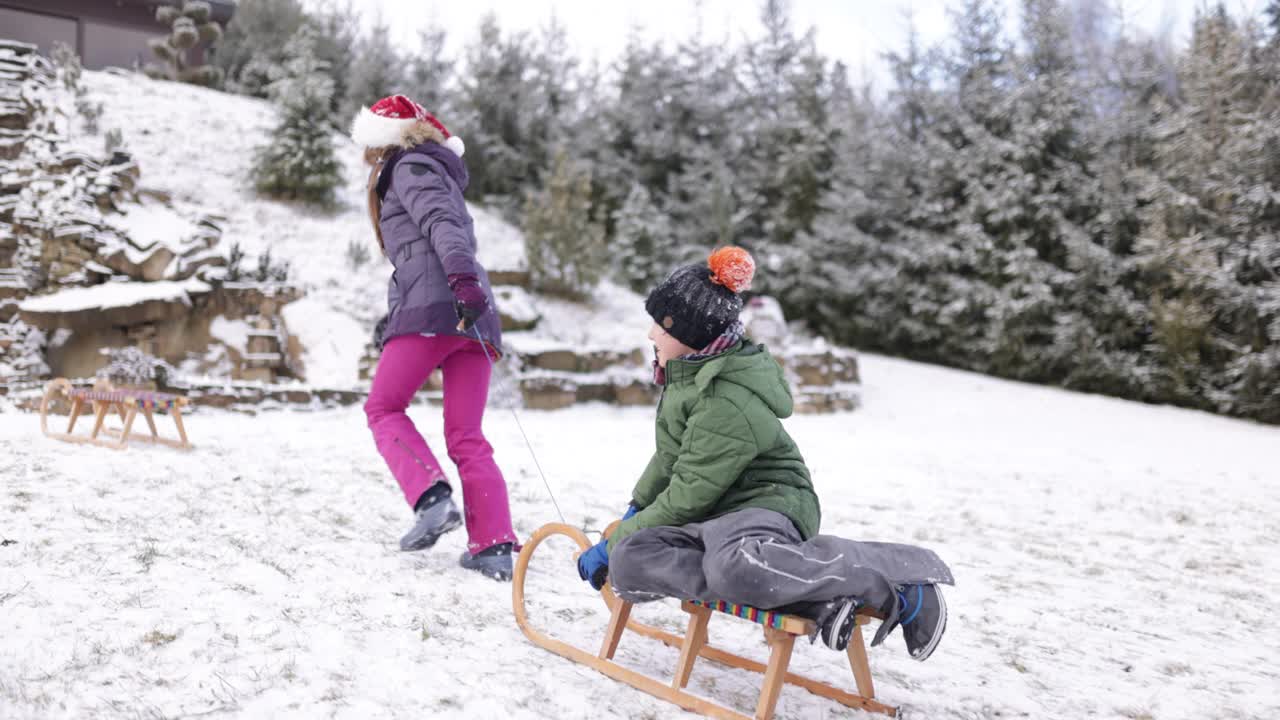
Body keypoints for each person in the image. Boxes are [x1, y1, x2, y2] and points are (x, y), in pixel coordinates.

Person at [576, 247, 955, 659]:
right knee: (631, 561)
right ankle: (806, 597)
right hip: (713, 514)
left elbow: (689, 493)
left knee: (730, 567)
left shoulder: (727, 398)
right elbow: (670, 460)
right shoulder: (687, 377)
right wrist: (633, 515)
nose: (651, 335)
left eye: (659, 327)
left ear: (688, 334)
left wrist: (615, 539)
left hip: (764, 502)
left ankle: (901, 581)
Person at [352, 94, 517, 581]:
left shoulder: (410, 166)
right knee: (466, 434)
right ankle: (493, 547)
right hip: (470, 315)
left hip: (442, 306)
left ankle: (431, 497)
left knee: (383, 407)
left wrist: (461, 286)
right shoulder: (432, 168)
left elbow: (442, 226)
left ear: (384, 140)